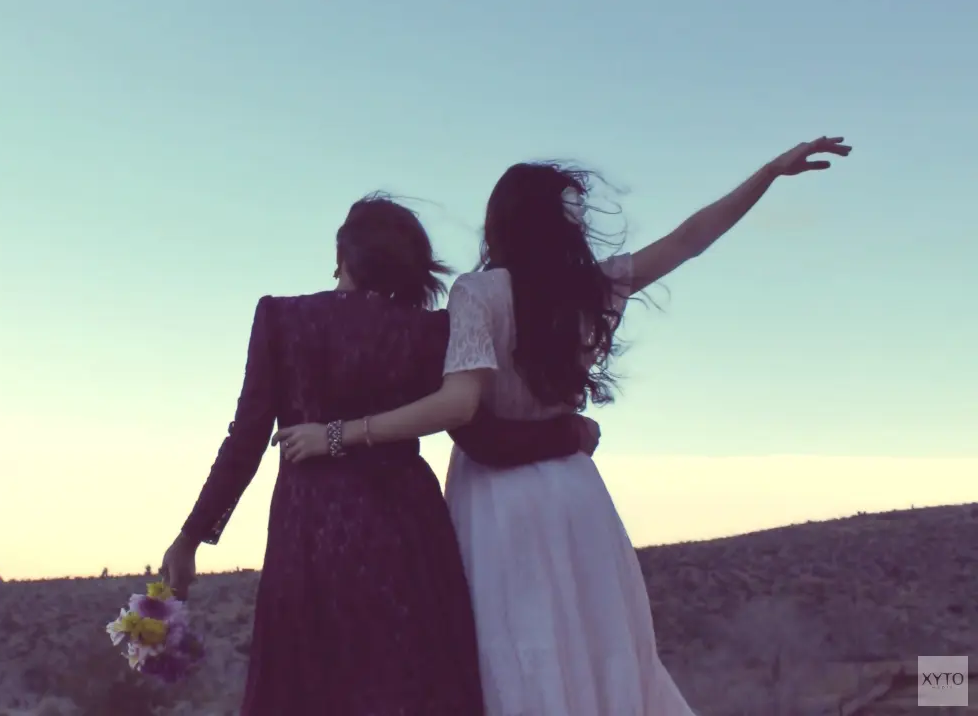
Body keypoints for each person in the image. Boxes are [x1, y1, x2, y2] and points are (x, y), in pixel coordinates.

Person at [273, 137, 852, 714]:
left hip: (497, 501)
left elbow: (458, 406)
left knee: (516, 652)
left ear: (499, 224)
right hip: (576, 493)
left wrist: (337, 434)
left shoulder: (477, 293)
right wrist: (767, 174)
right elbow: (689, 239)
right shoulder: (591, 289)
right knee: (598, 649)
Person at [161, 194, 604, 715]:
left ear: (342, 257)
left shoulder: (282, 319)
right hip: (410, 540)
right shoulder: (429, 332)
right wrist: (568, 433)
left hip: (312, 540)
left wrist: (191, 537)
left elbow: (246, 441)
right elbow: (483, 438)